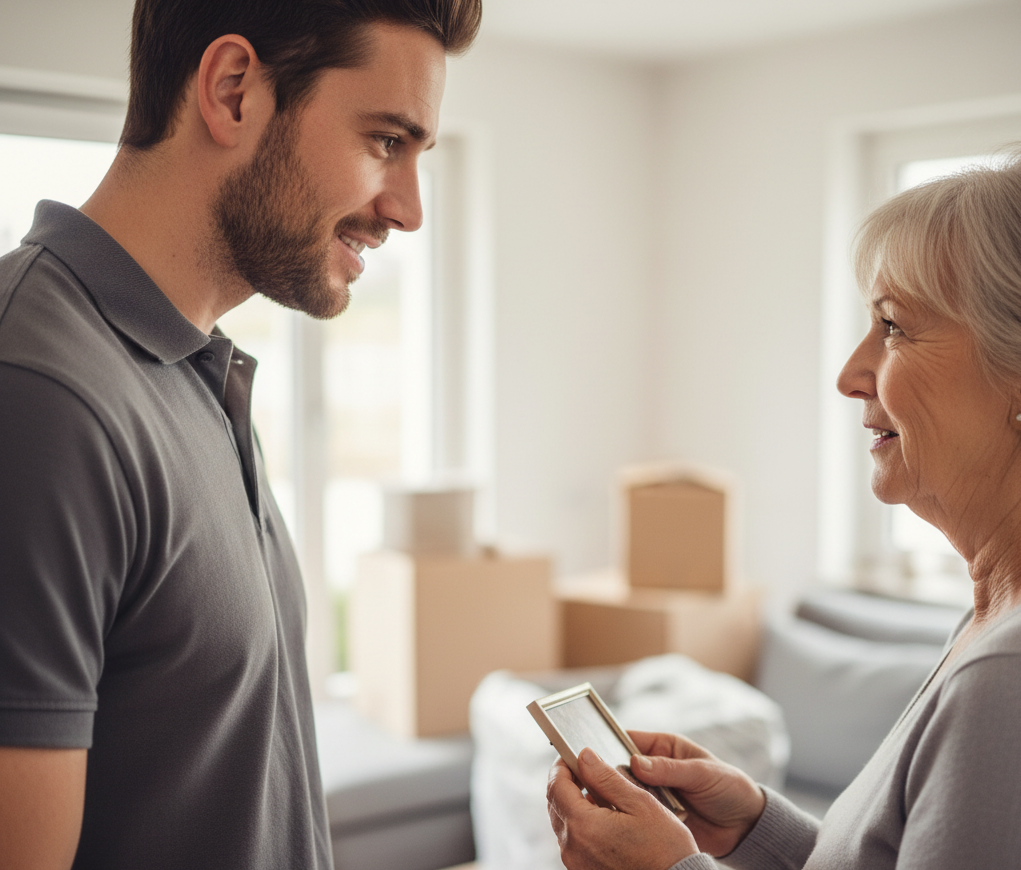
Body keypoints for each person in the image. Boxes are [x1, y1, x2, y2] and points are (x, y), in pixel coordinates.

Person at [0, 1, 481, 867]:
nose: (408, 210)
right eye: (385, 141)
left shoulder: (196, 370)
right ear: (231, 92)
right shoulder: (38, 397)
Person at [546, 150, 1021, 869]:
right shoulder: (985, 625)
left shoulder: (1004, 677)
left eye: (892, 327)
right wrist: (756, 830)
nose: (849, 374)